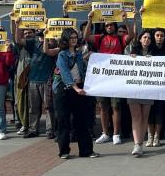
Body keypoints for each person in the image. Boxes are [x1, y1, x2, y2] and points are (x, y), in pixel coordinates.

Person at [85, 12, 133, 145]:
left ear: (115, 26)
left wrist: (126, 20)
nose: (109, 27)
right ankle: (105, 133)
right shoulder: (100, 38)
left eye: (111, 24)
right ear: (104, 27)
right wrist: (89, 20)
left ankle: (116, 134)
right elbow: (86, 36)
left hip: (116, 78)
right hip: (102, 78)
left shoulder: (120, 38)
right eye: (107, 25)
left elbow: (132, 36)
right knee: (103, 107)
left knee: (116, 106)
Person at [52, 28, 98, 160]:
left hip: (79, 87)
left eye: (75, 37)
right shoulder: (61, 55)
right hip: (64, 90)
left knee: (81, 121)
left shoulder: (78, 54)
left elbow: (81, 69)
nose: (73, 39)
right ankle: (64, 151)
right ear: (65, 39)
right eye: (71, 37)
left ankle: (86, 150)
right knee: (63, 121)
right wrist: (75, 88)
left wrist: (88, 57)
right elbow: (65, 73)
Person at [21, 29, 60, 138]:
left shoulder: (53, 44)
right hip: (33, 79)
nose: (42, 37)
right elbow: (18, 40)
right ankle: (33, 129)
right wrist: (16, 24)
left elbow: (46, 50)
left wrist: (49, 36)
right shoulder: (33, 43)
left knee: (48, 106)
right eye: (41, 35)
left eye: (44, 34)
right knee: (33, 107)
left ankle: (50, 130)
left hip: (46, 80)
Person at [127, 30, 155, 157]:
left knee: (144, 117)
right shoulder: (131, 51)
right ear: (140, 39)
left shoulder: (154, 53)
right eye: (144, 37)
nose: (146, 40)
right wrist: (131, 59)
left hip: (148, 89)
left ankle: (140, 143)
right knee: (136, 116)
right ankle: (136, 144)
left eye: (149, 38)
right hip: (133, 88)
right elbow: (122, 65)